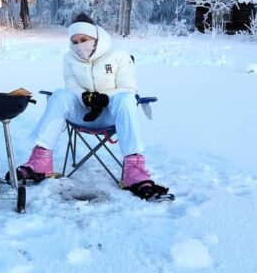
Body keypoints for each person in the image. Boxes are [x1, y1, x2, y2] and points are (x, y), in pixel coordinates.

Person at [15, 13, 169, 200]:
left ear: (95, 36)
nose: (79, 45)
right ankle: (40, 162)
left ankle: (134, 170)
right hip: (83, 114)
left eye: (84, 39)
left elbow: (128, 88)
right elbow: (71, 86)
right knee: (60, 95)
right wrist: (85, 97)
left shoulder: (119, 56)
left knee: (127, 99)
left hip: (109, 115)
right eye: (75, 41)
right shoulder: (69, 58)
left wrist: (103, 98)